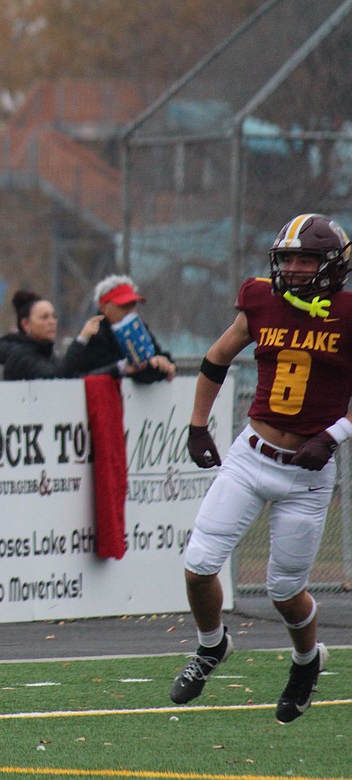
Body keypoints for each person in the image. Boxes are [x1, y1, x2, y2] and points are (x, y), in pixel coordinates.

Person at [172, 213, 352, 723]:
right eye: (287, 259)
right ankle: (212, 646)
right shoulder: (259, 298)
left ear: (332, 266)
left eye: (306, 260)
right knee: (199, 564)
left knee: (284, 591)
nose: (294, 269)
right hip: (251, 456)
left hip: (307, 475)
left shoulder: (349, 313)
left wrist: (334, 434)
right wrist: (197, 423)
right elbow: (217, 357)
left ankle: (306, 660)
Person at [63, 275, 177, 383]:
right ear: (104, 308)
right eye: (123, 306)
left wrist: (167, 365)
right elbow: (133, 373)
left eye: (133, 305)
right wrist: (152, 366)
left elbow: (159, 356)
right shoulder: (95, 336)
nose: (130, 311)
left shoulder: (140, 330)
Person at [0, 288, 115, 380]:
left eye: (54, 317)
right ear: (26, 324)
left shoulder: (48, 355)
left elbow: (76, 377)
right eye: (44, 317)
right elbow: (57, 377)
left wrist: (118, 368)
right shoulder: (20, 357)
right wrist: (82, 339)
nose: (52, 322)